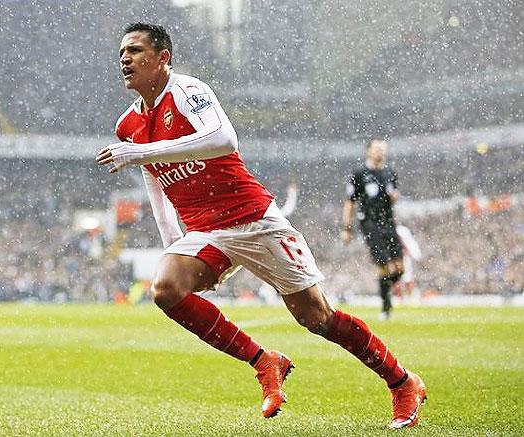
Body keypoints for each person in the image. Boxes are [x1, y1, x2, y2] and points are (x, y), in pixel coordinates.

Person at [97, 23, 426, 428]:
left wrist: (144, 151)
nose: (124, 59)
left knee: (317, 318)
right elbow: (154, 180)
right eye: (121, 53)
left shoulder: (187, 91)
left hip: (253, 219)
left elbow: (223, 139)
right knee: (166, 288)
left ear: (163, 58)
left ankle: (403, 382)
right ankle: (264, 360)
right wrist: (173, 244)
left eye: (134, 50)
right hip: (205, 229)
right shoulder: (128, 125)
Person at [341, 139, 404, 320]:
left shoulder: (389, 173)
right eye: (377, 149)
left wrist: (394, 197)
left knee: (399, 268)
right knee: (384, 265)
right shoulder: (360, 174)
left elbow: (393, 197)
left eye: (383, 149)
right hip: (369, 222)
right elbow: (350, 202)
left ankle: (385, 288)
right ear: (368, 151)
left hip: (388, 222)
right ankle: (386, 306)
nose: (380, 152)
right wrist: (346, 228)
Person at [393, 224, 422, 303]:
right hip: (397, 259)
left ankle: (409, 298)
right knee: (398, 281)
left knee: (406, 279)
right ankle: (402, 299)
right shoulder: (399, 232)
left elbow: (410, 247)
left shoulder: (402, 232)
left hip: (403, 259)